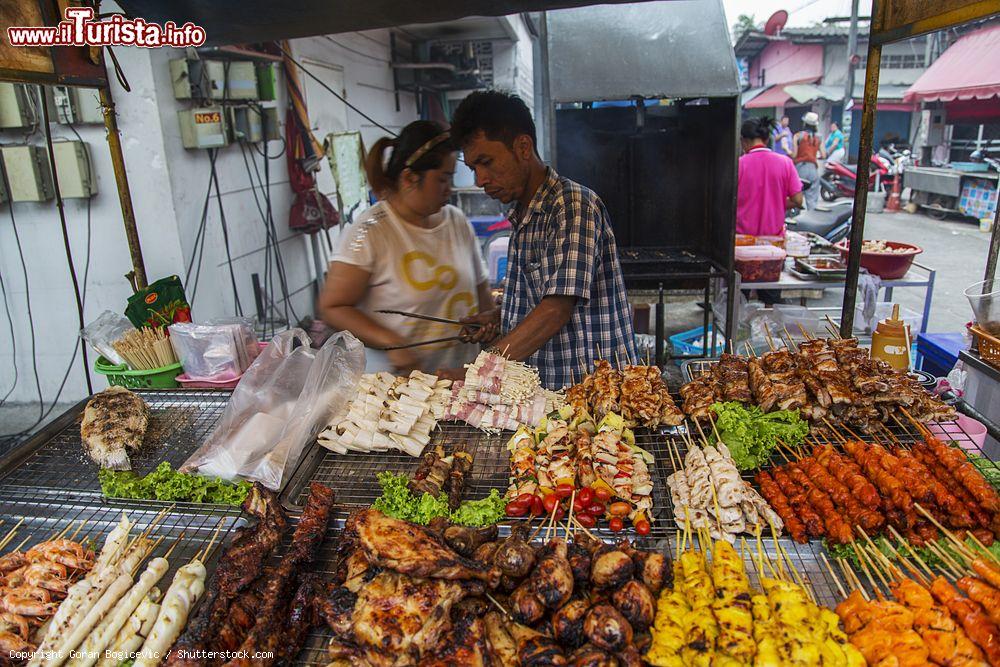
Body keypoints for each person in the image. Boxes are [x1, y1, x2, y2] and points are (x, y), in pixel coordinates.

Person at [449, 90, 637, 388]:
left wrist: (480, 371)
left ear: (523, 147)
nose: (480, 180)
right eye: (474, 168)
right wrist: (501, 318)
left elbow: (555, 309)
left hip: (591, 391)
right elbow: (540, 300)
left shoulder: (573, 206)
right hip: (547, 392)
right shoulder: (522, 214)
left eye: (486, 162)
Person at [318, 120, 495, 374]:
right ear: (410, 178)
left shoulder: (457, 221)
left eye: (451, 178)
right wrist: (394, 343)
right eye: (443, 179)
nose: (450, 189)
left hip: (458, 380)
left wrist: (487, 327)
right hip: (398, 391)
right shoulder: (370, 230)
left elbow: (482, 294)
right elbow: (333, 307)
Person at [737, 117, 804, 237]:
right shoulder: (785, 163)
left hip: (743, 241)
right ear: (767, 140)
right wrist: (776, 202)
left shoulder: (738, 164)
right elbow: (798, 200)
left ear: (743, 141)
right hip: (774, 243)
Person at [793, 111, 824, 210]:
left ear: (805, 123)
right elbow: (823, 155)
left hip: (800, 168)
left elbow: (794, 155)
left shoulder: (798, 136)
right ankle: (812, 219)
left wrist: (786, 149)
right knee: (812, 200)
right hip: (813, 169)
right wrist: (813, 157)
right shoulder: (819, 138)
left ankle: (796, 221)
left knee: (797, 198)